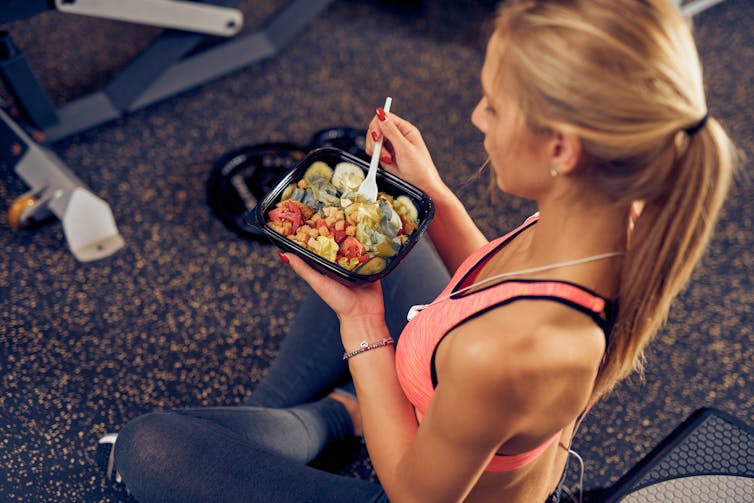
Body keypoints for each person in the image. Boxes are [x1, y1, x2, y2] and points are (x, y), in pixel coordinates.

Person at [110, 0, 737, 501]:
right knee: (383, 243)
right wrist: (432, 195)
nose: (475, 117)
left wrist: (362, 323)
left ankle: (314, 422)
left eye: (493, 104)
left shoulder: (511, 351)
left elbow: (414, 494)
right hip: (469, 396)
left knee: (149, 447)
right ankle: (313, 419)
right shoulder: (611, 212)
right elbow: (498, 275)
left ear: (562, 150)